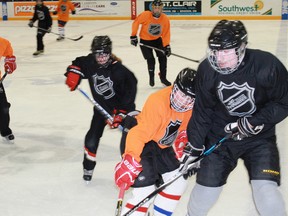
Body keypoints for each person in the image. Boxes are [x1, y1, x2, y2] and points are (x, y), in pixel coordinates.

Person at [183, 20, 288, 216]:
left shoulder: (266, 65)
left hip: (259, 139)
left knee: (266, 191)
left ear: (242, 47)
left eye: (225, 51)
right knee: (205, 193)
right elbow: (202, 111)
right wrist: (195, 147)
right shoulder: (207, 70)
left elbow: (284, 102)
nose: (219, 58)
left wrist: (254, 121)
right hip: (220, 139)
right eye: (215, 51)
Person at [114, 67, 197, 215]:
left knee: (178, 181)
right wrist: (130, 158)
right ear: (174, 86)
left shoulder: (191, 108)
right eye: (181, 94)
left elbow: (184, 129)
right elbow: (139, 133)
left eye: (189, 98)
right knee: (145, 191)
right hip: (140, 142)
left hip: (160, 145)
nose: (183, 101)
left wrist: (184, 143)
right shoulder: (158, 100)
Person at [64, 35, 137, 183]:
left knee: (133, 139)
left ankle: (138, 167)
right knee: (91, 139)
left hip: (122, 110)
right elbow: (78, 63)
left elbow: (129, 93)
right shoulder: (91, 62)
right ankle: (88, 167)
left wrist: (121, 114)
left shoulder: (120, 71)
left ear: (109, 52)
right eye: (98, 54)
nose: (101, 57)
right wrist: (73, 73)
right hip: (101, 109)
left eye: (104, 54)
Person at [130, 0, 171, 87]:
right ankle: (151, 77)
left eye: (159, 8)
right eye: (155, 8)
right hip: (145, 40)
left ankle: (163, 78)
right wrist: (133, 35)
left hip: (157, 40)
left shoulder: (165, 19)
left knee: (163, 58)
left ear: (162, 9)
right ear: (152, 8)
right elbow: (136, 22)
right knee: (151, 60)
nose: (157, 10)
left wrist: (167, 45)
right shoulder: (145, 15)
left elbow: (166, 33)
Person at [0, 37, 17, 143]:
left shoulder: (2, 42)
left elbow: (9, 54)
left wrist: (9, 62)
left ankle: (5, 130)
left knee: (3, 108)